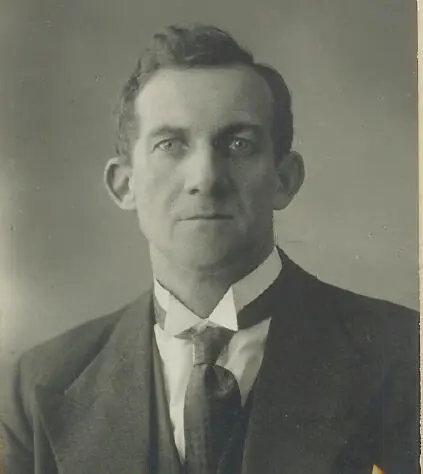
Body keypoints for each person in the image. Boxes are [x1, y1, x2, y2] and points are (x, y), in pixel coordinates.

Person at [1, 24, 419, 474]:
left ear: (284, 179)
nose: (205, 177)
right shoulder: (40, 385)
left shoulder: (404, 355)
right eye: (170, 145)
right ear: (125, 184)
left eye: (238, 144)